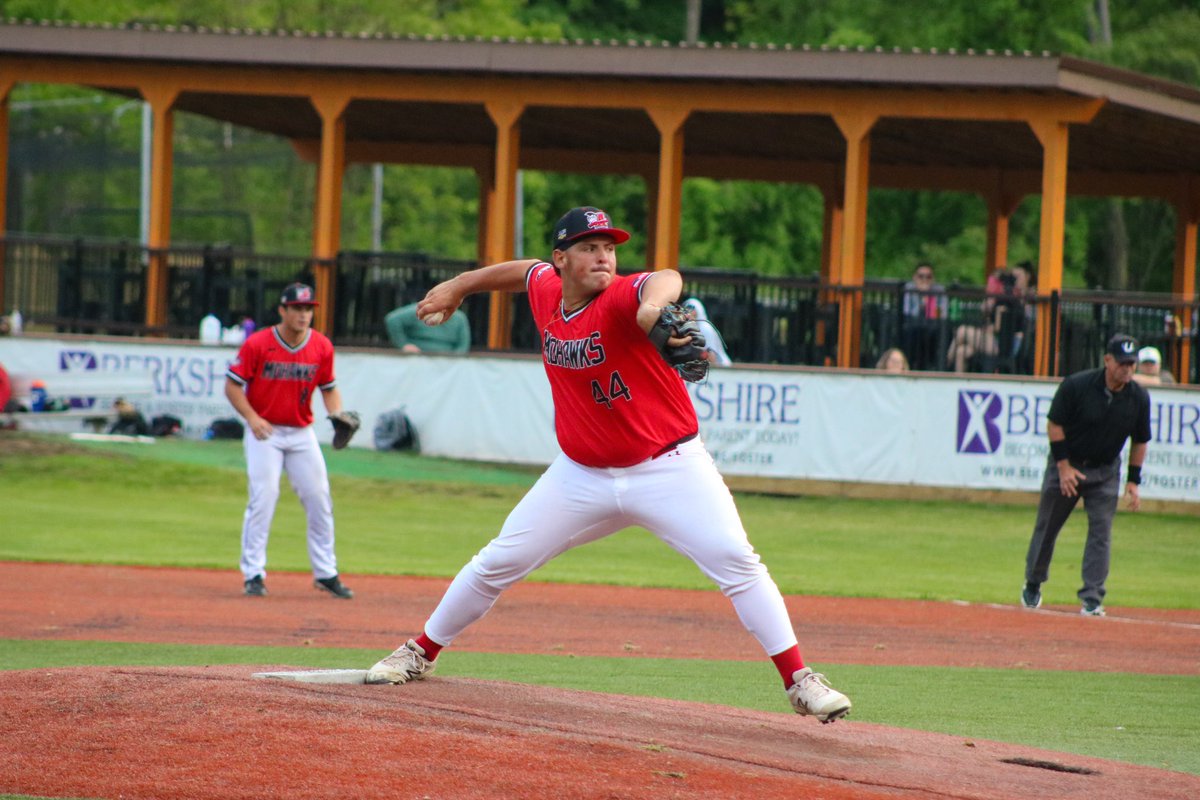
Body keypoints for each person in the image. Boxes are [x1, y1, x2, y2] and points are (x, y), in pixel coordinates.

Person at [365, 206, 852, 723]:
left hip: (669, 468)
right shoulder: (547, 289)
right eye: (589, 248)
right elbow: (522, 270)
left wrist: (652, 309)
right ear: (562, 259)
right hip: (581, 476)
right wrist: (459, 285)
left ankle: (800, 681)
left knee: (738, 561)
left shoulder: (622, 296)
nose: (603, 257)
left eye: (610, 248)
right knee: (497, 561)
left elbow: (666, 277)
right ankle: (419, 652)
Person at [224, 282, 354, 600]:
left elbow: (328, 387)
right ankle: (253, 574)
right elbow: (232, 386)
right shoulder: (258, 343)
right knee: (264, 496)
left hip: (300, 432)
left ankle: (326, 573)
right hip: (264, 431)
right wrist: (252, 418)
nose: (303, 314)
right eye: (297, 308)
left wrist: (336, 414)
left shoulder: (321, 346)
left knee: (319, 498)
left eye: (308, 309)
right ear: (282, 310)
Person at [1020, 333, 1151, 618]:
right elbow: (1055, 424)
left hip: (1105, 471)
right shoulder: (1077, 385)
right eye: (1122, 363)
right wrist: (1063, 467)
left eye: (1131, 363)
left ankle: (1092, 597)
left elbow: (1141, 440)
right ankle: (1033, 582)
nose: (1127, 369)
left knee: (1101, 533)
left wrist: (1133, 480)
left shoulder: (1139, 397)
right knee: (1048, 527)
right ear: (1107, 360)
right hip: (1068, 464)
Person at [900, 262, 946, 370]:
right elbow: (907, 311)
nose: (924, 279)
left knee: (938, 334)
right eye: (921, 276)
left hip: (933, 327)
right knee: (914, 334)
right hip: (913, 325)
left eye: (928, 277)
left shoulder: (939, 290)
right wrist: (921, 302)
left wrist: (929, 303)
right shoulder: (909, 288)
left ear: (933, 279)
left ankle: (933, 366)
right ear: (915, 277)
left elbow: (941, 313)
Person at [384, 301, 470, 353]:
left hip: (446, 363)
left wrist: (454, 359)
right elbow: (392, 320)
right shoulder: (420, 310)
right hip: (416, 358)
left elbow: (463, 344)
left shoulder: (460, 318)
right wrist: (404, 344)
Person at [681, 297, 733, 366]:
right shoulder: (691, 328)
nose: (688, 313)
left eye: (691, 309)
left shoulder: (705, 328)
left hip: (721, 367)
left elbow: (711, 356)